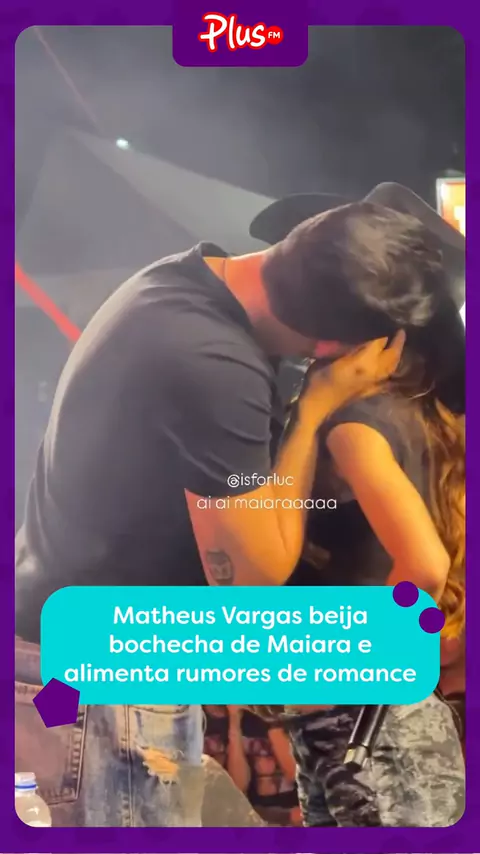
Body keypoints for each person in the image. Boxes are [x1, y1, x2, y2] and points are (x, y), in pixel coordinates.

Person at [15, 183, 444, 827]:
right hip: (99, 689)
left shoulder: (182, 282)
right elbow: (251, 579)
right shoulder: (214, 363)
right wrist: (314, 411)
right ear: (332, 347)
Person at [246, 185, 466, 827]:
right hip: (361, 724)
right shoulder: (421, 418)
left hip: (368, 725)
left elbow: (424, 565)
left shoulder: (355, 425)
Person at [203, 705, 300, 825]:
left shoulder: (266, 715)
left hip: (292, 810)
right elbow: (237, 788)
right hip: (253, 817)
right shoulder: (200, 722)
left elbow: (293, 773)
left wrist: (268, 716)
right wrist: (234, 721)